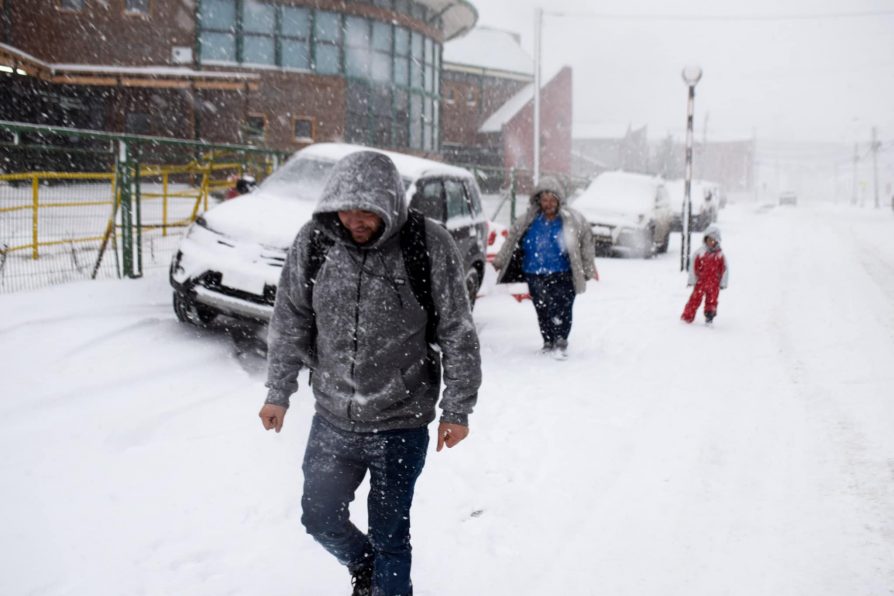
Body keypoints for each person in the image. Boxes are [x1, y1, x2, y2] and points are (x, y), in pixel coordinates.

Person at [258, 151, 481, 596]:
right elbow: (290, 319)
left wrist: (456, 408)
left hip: (400, 423)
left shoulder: (428, 244)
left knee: (391, 537)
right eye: (347, 210)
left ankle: (386, 584)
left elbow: (458, 330)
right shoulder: (316, 242)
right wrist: (277, 391)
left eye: (367, 212)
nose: (356, 221)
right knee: (318, 517)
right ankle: (364, 567)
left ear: (390, 203)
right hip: (332, 419)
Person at [491, 177, 597, 359]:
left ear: (559, 200)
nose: (548, 204)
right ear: (538, 200)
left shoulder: (572, 221)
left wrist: (588, 269)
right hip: (535, 272)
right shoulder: (528, 220)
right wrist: (500, 259)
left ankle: (561, 339)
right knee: (543, 308)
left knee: (563, 307)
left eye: (552, 200)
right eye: (544, 200)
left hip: (563, 272)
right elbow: (511, 240)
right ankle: (548, 339)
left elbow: (586, 245)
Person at [681, 224, 729, 324]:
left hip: (714, 283)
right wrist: (692, 280)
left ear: (717, 241)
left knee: (712, 301)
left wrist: (723, 283)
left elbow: (724, 270)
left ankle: (709, 316)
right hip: (700, 282)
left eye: (713, 240)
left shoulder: (720, 256)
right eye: (709, 240)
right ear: (705, 240)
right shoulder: (700, 253)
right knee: (694, 299)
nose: (711, 242)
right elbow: (693, 268)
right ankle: (687, 317)